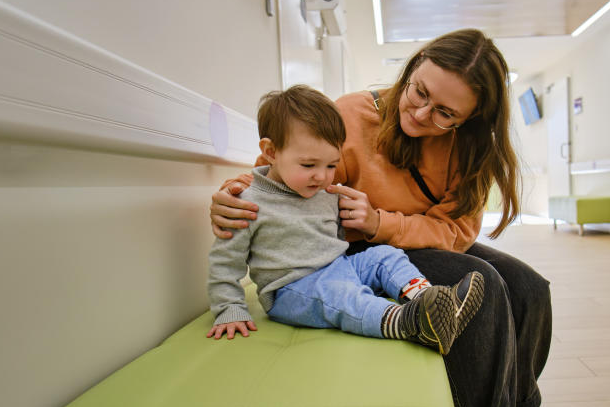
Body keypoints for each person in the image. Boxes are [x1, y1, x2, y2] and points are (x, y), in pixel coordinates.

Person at [210, 29, 586, 407]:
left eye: (445, 114)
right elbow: (282, 175)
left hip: (404, 235)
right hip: (354, 250)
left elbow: (454, 232)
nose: (422, 114)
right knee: (487, 285)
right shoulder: (349, 115)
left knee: (529, 288)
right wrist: (232, 196)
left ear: (470, 119)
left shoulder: (471, 151)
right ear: (412, 69)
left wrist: (384, 220)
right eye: (420, 92)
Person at [207, 84, 484, 357]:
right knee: (344, 298)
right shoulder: (247, 203)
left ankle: (428, 300)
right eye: (308, 165)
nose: (323, 176)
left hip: (338, 266)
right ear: (271, 152)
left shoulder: (325, 191)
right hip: (293, 290)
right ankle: (410, 323)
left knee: (385, 255)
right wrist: (229, 308)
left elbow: (337, 239)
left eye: (331, 165)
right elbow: (225, 263)